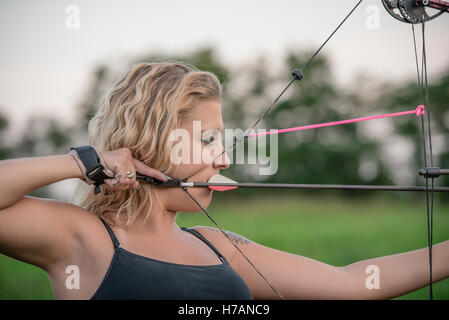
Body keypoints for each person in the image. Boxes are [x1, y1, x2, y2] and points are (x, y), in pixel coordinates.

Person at [0, 62, 448, 300]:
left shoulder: (220, 246)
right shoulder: (83, 238)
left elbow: (354, 284)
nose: (225, 156)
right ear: (152, 144)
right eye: (208, 138)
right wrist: (86, 162)